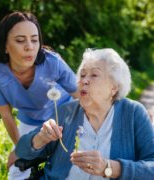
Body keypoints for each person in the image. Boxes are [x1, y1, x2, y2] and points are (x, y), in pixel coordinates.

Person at [15, 48, 154, 180]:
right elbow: (21, 150)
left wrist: (109, 167)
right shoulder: (66, 112)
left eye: (94, 75)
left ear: (114, 88)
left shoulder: (134, 113)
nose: (84, 80)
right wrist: (40, 138)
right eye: (82, 75)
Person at [0, 11, 78, 180]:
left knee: (66, 167)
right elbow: (6, 115)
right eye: (20, 40)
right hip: (30, 121)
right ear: (5, 45)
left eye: (34, 40)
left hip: (63, 117)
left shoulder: (52, 62)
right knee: (16, 171)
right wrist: (21, 149)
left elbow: (81, 95)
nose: (30, 47)